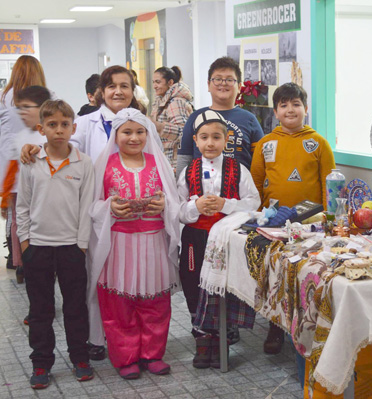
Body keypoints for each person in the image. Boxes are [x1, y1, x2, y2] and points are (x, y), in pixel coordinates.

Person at [19, 66, 152, 361]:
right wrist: (34, 147)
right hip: (88, 214)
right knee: (93, 279)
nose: (118, 91)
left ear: (133, 91)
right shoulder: (87, 122)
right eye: (112, 86)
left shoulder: (142, 123)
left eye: (125, 86)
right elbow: (61, 145)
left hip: (132, 218)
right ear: (99, 93)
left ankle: (129, 338)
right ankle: (95, 339)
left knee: (126, 279)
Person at [88, 108, 180, 379]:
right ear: (115, 135)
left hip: (153, 243)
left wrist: (165, 205)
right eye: (127, 132)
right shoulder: (103, 165)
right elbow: (90, 206)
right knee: (119, 302)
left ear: (148, 133)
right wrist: (110, 208)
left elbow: (175, 202)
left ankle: (152, 354)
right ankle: (125, 356)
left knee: (156, 301)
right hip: (118, 243)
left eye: (140, 131)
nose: (134, 137)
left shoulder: (158, 163)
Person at [250, 82, 335, 354]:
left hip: (310, 226)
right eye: (284, 105)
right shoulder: (265, 144)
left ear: (305, 109)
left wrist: (329, 218)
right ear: (275, 111)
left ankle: (307, 326)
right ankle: (276, 326)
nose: (290, 110)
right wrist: (260, 217)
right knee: (276, 274)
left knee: (305, 274)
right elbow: (254, 184)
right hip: (274, 225)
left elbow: (330, 185)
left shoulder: (319, 143)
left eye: (296, 104)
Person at [16, 100, 95, 389]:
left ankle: (80, 357)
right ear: (41, 129)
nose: (59, 130)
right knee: (40, 309)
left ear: (73, 127)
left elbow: (87, 206)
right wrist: (25, 243)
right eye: (52, 124)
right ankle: (41, 363)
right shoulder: (30, 161)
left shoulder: (83, 163)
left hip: (71, 248)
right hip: (37, 246)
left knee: (75, 307)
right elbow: (22, 206)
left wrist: (81, 246)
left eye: (64, 124)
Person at [177, 109, 260, 368]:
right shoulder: (188, 171)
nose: (210, 143)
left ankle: (223, 339)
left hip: (226, 239)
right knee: (195, 285)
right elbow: (177, 209)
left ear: (226, 140)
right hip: (195, 238)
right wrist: (195, 207)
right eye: (204, 137)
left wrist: (226, 204)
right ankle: (202, 341)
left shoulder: (238, 169)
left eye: (216, 137)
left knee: (223, 286)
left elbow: (253, 203)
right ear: (196, 140)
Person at [0, 55, 47, 281]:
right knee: (40, 214)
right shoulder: (45, 96)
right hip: (40, 160)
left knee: (18, 217)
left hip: (14, 166)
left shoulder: (6, 97)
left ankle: (20, 263)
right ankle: (42, 262)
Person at [177, 57, 263, 177]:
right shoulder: (195, 117)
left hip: (240, 191)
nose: (223, 83)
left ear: (239, 86)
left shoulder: (249, 119)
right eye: (217, 79)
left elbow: (259, 162)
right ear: (208, 84)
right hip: (201, 192)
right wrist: (181, 190)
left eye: (229, 79)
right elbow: (184, 159)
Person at [150, 66, 194, 170]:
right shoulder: (161, 101)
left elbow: (184, 133)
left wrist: (159, 127)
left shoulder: (175, 102)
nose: (154, 86)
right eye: (153, 82)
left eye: (158, 82)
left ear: (170, 83)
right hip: (166, 158)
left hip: (174, 161)